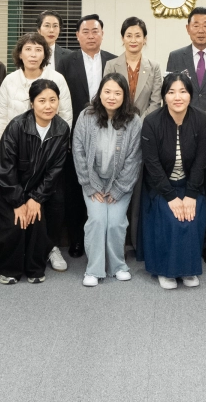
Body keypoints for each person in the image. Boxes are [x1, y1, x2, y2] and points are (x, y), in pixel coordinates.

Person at [0, 32, 72, 270]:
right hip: (14, 154)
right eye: (28, 49)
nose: (33, 54)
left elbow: (65, 117)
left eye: (38, 49)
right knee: (17, 203)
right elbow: (0, 119)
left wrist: (57, 147)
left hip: (48, 152)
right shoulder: (9, 81)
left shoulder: (57, 78)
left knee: (51, 202)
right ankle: (18, 250)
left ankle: (50, 247)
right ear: (20, 53)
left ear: (45, 53)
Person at [165, 6, 206, 264]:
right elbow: (171, 93)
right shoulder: (176, 56)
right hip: (183, 131)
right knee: (186, 185)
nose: (201, 30)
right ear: (187, 28)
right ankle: (187, 236)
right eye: (196, 25)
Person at [0, 79, 72, 284]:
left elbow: (55, 170)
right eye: (42, 100)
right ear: (32, 103)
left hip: (35, 185)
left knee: (36, 218)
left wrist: (36, 198)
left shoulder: (62, 128)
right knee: (16, 222)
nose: (48, 106)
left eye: (53, 100)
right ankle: (9, 269)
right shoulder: (17, 125)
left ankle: (34, 267)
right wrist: (18, 202)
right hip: (4, 183)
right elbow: (5, 167)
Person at [139, 72, 206, 289]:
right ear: (164, 96)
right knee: (170, 218)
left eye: (183, 91)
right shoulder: (151, 122)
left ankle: (188, 269)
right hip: (160, 187)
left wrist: (190, 195)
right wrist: (171, 197)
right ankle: (165, 270)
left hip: (191, 185)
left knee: (191, 216)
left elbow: (201, 161)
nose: (177, 97)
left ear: (190, 95)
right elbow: (152, 164)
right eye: (171, 92)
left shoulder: (202, 120)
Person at [53, 14, 115, 260]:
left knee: (105, 183)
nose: (91, 36)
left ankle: (104, 240)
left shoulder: (112, 61)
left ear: (102, 34)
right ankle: (77, 240)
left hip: (109, 132)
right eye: (85, 32)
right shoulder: (66, 62)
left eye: (95, 31)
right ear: (77, 36)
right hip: (77, 133)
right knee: (76, 186)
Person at [72, 73, 143, 286]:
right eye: (107, 91)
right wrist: (90, 184)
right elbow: (78, 150)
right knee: (97, 220)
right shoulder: (86, 116)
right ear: (100, 93)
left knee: (115, 223)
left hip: (120, 183)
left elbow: (134, 158)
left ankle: (118, 266)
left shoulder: (134, 120)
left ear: (125, 96)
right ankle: (93, 270)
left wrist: (119, 188)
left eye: (117, 93)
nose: (111, 97)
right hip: (92, 181)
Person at [104, 16, 162, 116]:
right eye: (129, 36)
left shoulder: (154, 67)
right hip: (117, 121)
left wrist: (139, 122)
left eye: (138, 36)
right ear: (123, 39)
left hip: (146, 122)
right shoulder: (111, 66)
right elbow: (107, 98)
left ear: (144, 39)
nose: (133, 40)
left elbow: (155, 103)